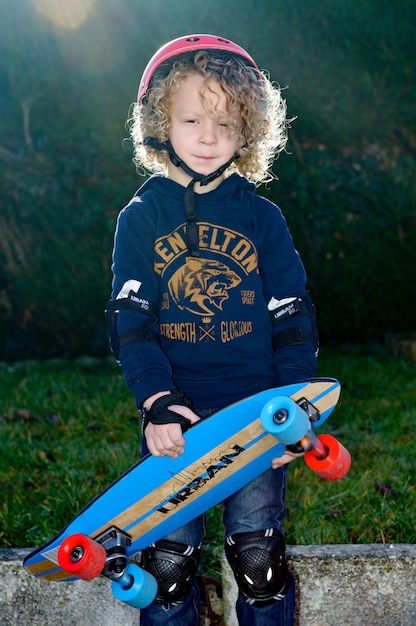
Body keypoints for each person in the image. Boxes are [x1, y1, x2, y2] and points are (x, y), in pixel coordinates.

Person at [106, 34, 319, 626]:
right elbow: (131, 325)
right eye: (192, 118)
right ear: (159, 122)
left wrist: (293, 403)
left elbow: (292, 317)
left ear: (247, 130)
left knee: (259, 558)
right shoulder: (140, 218)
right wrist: (156, 404)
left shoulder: (262, 217)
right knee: (168, 569)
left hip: (256, 413)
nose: (207, 136)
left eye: (225, 123)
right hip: (177, 420)